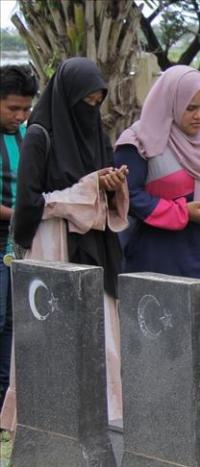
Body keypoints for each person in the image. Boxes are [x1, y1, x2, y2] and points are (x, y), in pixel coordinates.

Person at [6, 58, 129, 427]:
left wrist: (112, 185)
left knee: (103, 335)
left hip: (95, 248)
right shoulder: (40, 136)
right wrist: (85, 190)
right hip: (54, 246)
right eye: (85, 102)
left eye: (96, 102)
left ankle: (104, 416)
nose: (90, 110)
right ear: (66, 98)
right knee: (53, 336)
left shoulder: (96, 136)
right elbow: (28, 203)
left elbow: (107, 201)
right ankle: (49, 418)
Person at [114, 65, 200, 397]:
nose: (199, 116)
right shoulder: (139, 140)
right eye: (191, 108)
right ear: (171, 103)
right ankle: (167, 406)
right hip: (160, 249)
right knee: (168, 330)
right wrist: (181, 212)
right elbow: (131, 195)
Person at [0, 65, 37, 409]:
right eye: (13, 108)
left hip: (19, 242)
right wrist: (20, 214)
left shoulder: (27, 135)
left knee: (14, 322)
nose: (20, 115)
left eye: (26, 109)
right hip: (5, 235)